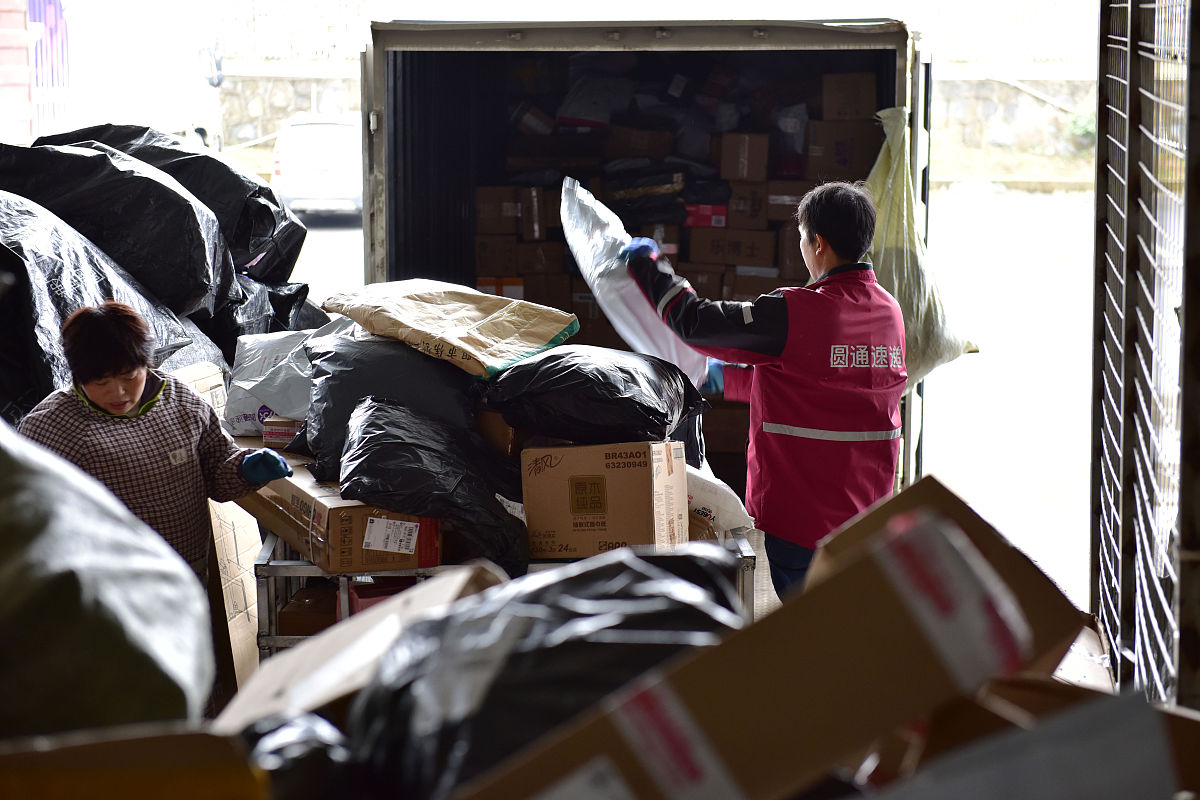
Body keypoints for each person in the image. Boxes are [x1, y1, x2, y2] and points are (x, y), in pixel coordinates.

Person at [620, 181, 906, 597]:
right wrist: (727, 378)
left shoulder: (796, 311)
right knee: (846, 616)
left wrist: (649, 265)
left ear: (818, 243)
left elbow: (695, 322)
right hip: (867, 511)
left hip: (803, 517)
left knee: (808, 627)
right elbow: (824, 380)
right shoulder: (889, 312)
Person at [17, 301, 292, 581]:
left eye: (129, 376)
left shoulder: (181, 402)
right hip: (101, 585)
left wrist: (245, 469)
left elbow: (217, 471)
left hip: (186, 571)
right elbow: (25, 514)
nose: (119, 392)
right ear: (79, 375)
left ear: (146, 364)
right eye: (101, 383)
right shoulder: (50, 427)